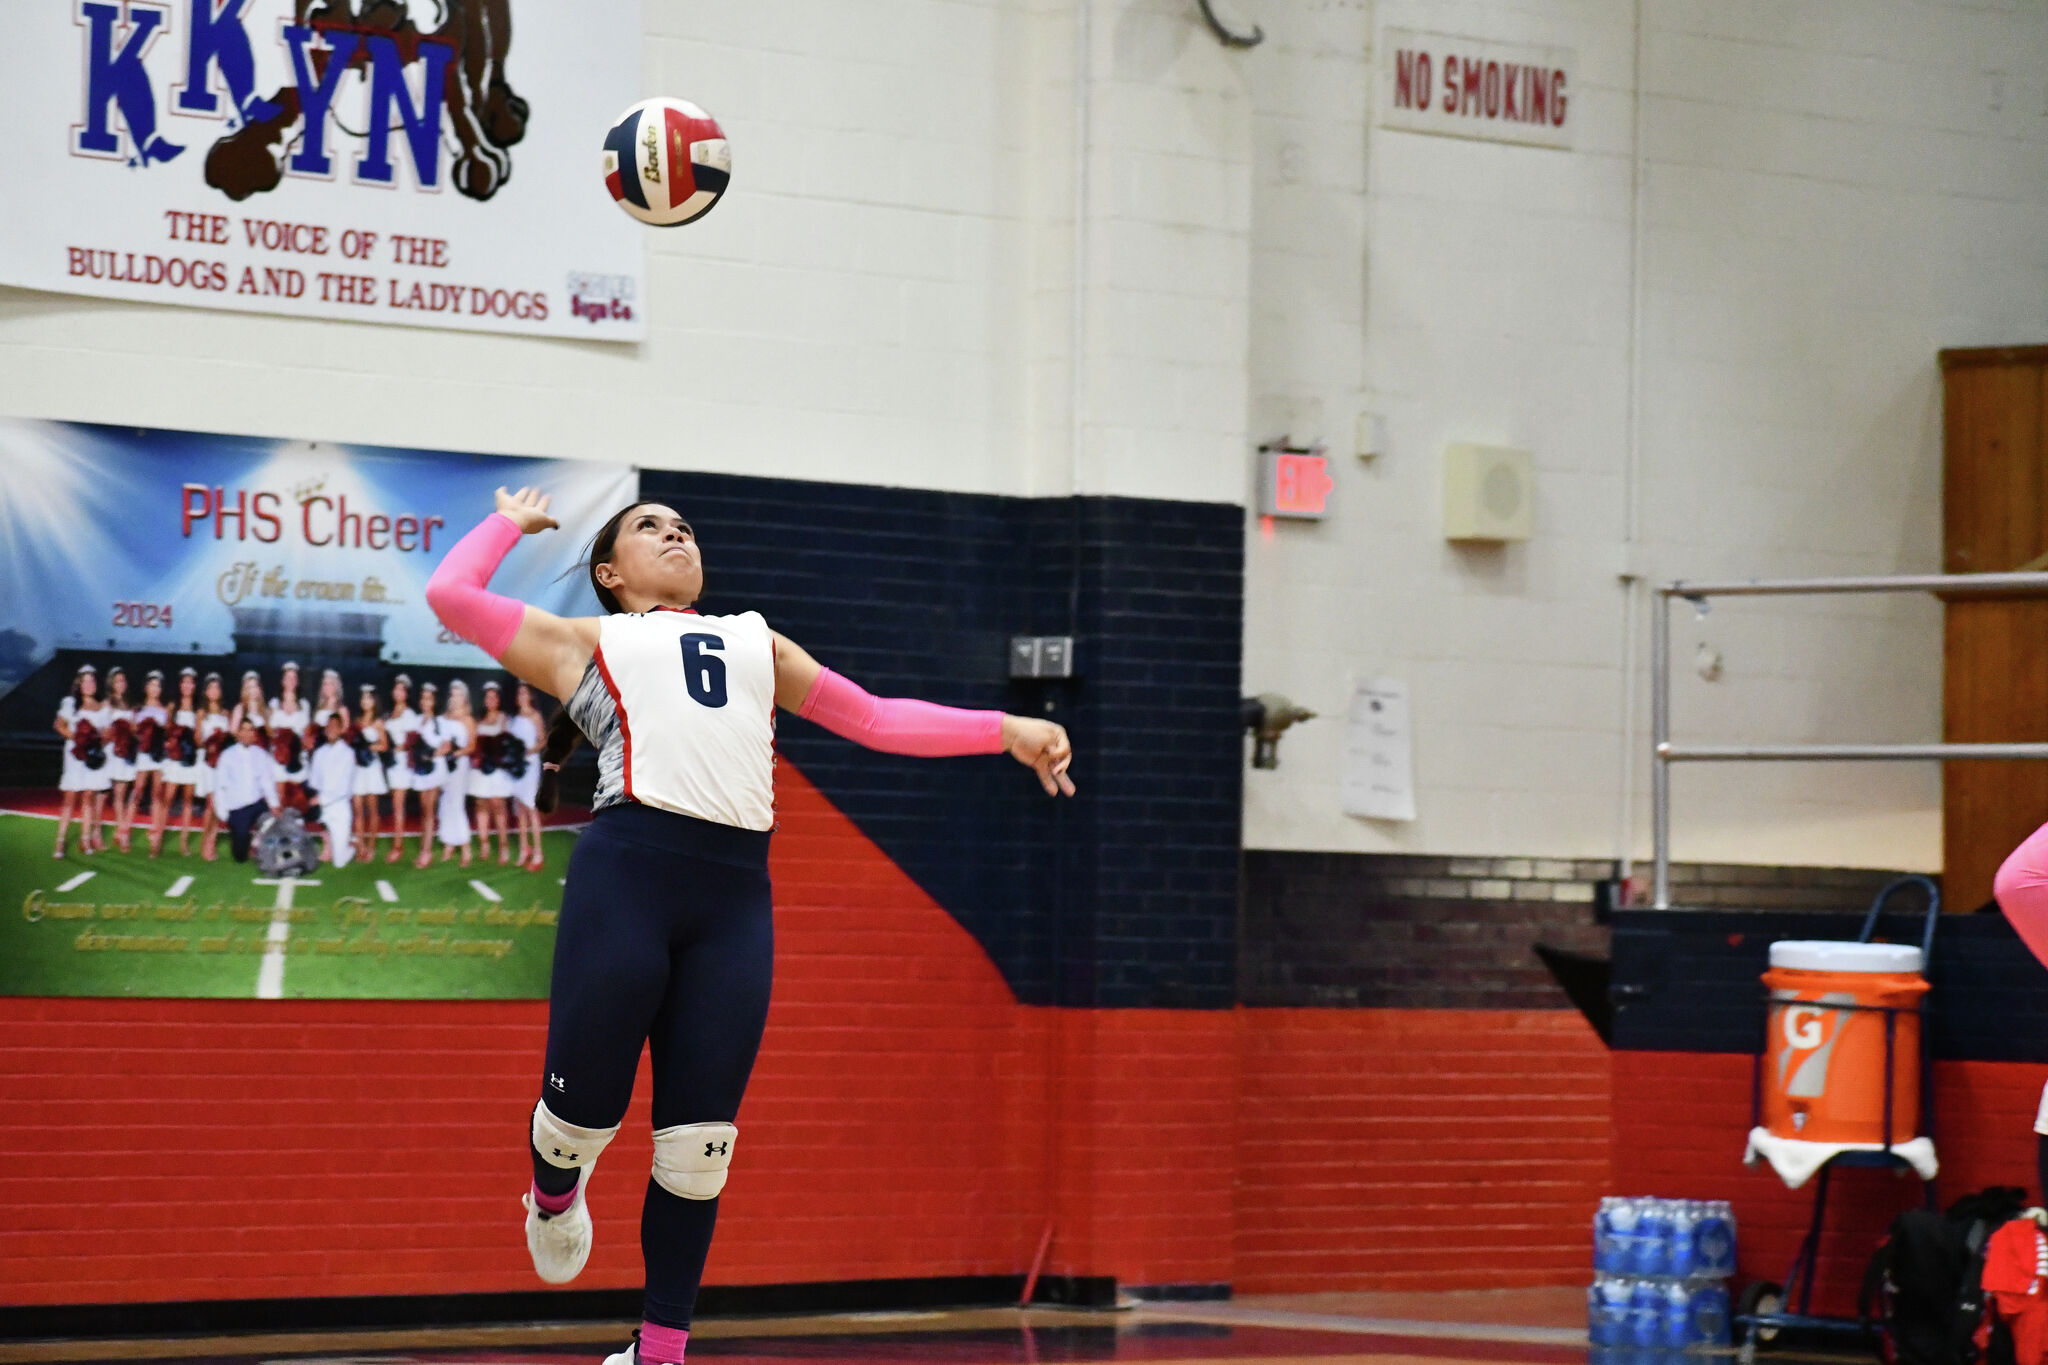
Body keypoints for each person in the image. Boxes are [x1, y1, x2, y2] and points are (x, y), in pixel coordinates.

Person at [424, 488, 1074, 1365]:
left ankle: (658, 1352)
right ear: (610, 574)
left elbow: (877, 719)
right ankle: (551, 1193)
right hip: (627, 881)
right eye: (649, 526)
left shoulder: (756, 642)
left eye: (682, 524)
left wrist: (1007, 729)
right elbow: (451, 596)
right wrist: (510, 519)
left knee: (699, 1149)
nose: (675, 531)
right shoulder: (589, 641)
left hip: (733, 903)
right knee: (582, 1118)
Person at [54, 664, 112, 859]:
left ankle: (85, 839)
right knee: (70, 798)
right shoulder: (70, 703)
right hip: (74, 756)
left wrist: (99, 740)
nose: (89, 684)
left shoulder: (102, 706)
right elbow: (59, 725)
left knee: (88, 796)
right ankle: (60, 841)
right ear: (79, 684)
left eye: (92, 680)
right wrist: (77, 737)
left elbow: (106, 735)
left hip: (92, 758)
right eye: (85, 681)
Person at [210, 716, 282, 864]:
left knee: (272, 823)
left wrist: (274, 805)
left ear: (254, 734)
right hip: (237, 807)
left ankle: (260, 846)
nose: (247, 733)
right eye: (244, 730)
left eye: (251, 730)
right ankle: (243, 839)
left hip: (257, 804)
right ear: (238, 733)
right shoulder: (227, 755)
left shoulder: (261, 754)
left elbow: (267, 782)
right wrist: (223, 812)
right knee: (240, 857)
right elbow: (220, 786)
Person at [150, 667, 203, 857]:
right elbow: (165, 731)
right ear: (180, 684)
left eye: (191, 682)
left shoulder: (199, 710)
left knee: (188, 800)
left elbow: (198, 738)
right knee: (167, 798)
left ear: (195, 686)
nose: (187, 685)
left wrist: (190, 738)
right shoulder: (172, 706)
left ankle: (183, 842)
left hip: (189, 759)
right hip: (174, 759)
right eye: (184, 682)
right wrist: (174, 737)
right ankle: (157, 840)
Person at [306, 711, 357, 868]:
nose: (331, 729)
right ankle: (327, 839)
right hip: (323, 808)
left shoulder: (348, 753)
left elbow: (343, 788)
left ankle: (352, 845)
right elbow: (314, 782)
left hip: (340, 808)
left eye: (335, 726)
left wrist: (321, 799)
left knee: (339, 862)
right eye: (328, 726)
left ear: (341, 729)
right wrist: (314, 801)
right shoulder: (319, 753)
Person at [409, 682, 451, 869]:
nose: (425, 702)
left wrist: (431, 755)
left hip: (435, 768)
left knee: (429, 811)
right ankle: (423, 850)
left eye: (429, 698)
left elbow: (447, 746)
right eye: (423, 698)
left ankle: (426, 852)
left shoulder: (441, 721)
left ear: (434, 701)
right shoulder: (417, 720)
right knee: (424, 809)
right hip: (421, 769)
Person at [472, 679, 514, 863]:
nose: (490, 700)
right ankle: (484, 844)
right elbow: (474, 744)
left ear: (498, 699)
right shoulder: (479, 720)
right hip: (481, 770)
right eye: (487, 697)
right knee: (481, 804)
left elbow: (508, 745)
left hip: (497, 770)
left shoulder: (504, 719)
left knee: (498, 806)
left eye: (493, 697)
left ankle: (503, 846)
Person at [438, 679, 477, 867]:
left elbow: (472, 746)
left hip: (459, 765)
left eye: (459, 694)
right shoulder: (445, 717)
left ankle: (466, 847)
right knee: (445, 803)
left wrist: (455, 753)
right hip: (444, 765)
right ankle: (449, 844)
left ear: (465, 697)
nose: (456, 698)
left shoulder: (468, 719)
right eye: (453, 694)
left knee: (456, 803)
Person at [131, 669, 170, 855]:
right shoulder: (137, 709)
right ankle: (124, 831)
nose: (154, 688)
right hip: (142, 754)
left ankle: (155, 837)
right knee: (137, 790)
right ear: (146, 687)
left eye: (158, 685)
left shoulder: (165, 710)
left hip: (158, 755)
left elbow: (168, 734)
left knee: (157, 793)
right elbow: (132, 732)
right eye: (152, 684)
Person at [509, 681, 546, 870]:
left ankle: (538, 853)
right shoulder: (515, 718)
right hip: (517, 768)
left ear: (530, 695)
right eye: (519, 693)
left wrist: (529, 751)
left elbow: (542, 741)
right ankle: (525, 849)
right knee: (520, 810)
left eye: (525, 692)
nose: (522, 695)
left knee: (531, 809)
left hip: (530, 766)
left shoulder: (535, 716)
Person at [194, 672, 231, 861]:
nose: (214, 691)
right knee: (211, 803)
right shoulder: (202, 713)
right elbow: (197, 740)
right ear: (206, 691)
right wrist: (211, 741)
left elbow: (230, 740)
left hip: (222, 765)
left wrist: (222, 740)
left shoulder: (226, 714)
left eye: (217, 687)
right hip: (208, 763)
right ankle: (205, 841)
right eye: (210, 687)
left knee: (218, 803)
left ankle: (212, 839)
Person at [384, 675, 421, 863]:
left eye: (402, 689)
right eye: (396, 689)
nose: (398, 692)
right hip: (391, 764)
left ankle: (398, 846)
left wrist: (396, 748)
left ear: (407, 693)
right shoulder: (390, 713)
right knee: (395, 804)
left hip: (401, 764)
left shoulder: (409, 714)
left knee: (398, 806)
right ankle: (398, 843)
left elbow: (411, 741)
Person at [352, 683, 389, 863]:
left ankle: (371, 846)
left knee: (372, 809)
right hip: (358, 768)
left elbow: (384, 745)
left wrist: (368, 747)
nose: (365, 701)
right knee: (357, 808)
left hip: (372, 767)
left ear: (375, 701)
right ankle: (361, 846)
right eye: (363, 697)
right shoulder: (357, 721)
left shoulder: (378, 722)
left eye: (369, 697)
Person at [102, 666, 138, 852]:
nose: (121, 684)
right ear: (111, 683)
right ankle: (122, 833)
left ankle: (121, 830)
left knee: (130, 792)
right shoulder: (108, 703)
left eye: (123, 680)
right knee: (118, 793)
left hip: (128, 752)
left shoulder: (129, 704)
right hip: (115, 752)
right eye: (117, 681)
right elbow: (105, 730)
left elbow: (134, 729)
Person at [270, 661, 311, 808]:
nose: (291, 681)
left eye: (294, 678)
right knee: (279, 799)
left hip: (297, 758)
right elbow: (270, 732)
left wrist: (301, 745)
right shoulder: (274, 704)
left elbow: (307, 733)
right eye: (288, 677)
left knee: (296, 800)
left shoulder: (304, 704)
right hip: (279, 758)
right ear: (282, 680)